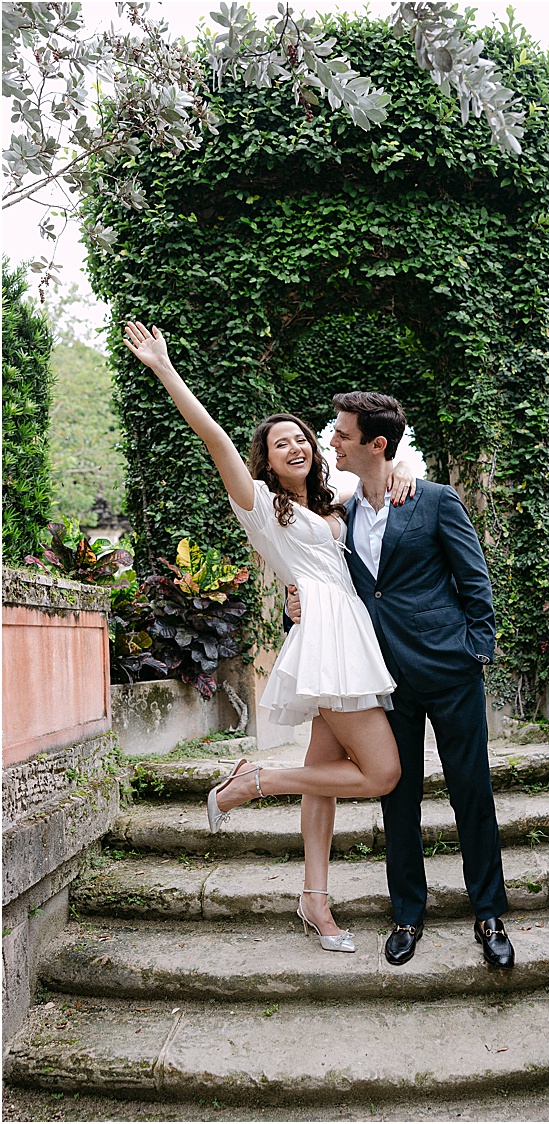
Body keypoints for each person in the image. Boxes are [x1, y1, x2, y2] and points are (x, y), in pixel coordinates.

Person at [124, 321, 411, 955]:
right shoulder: (259, 504)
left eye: (302, 438)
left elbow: (379, 513)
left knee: (325, 773)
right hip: (328, 646)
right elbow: (215, 437)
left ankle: (314, 900)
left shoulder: (338, 507)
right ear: (267, 460)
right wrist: (166, 369)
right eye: (280, 444)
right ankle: (255, 780)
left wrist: (400, 476)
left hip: (350, 638)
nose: (296, 446)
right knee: (383, 772)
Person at [287, 391, 514, 971]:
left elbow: (474, 581)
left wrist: (475, 651)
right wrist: (300, 603)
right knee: (398, 796)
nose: (330, 442)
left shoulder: (434, 500)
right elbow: (333, 580)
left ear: (376, 443)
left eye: (341, 434)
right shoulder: (342, 511)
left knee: (472, 792)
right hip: (386, 678)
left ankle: (488, 913)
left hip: (450, 670)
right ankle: (407, 913)